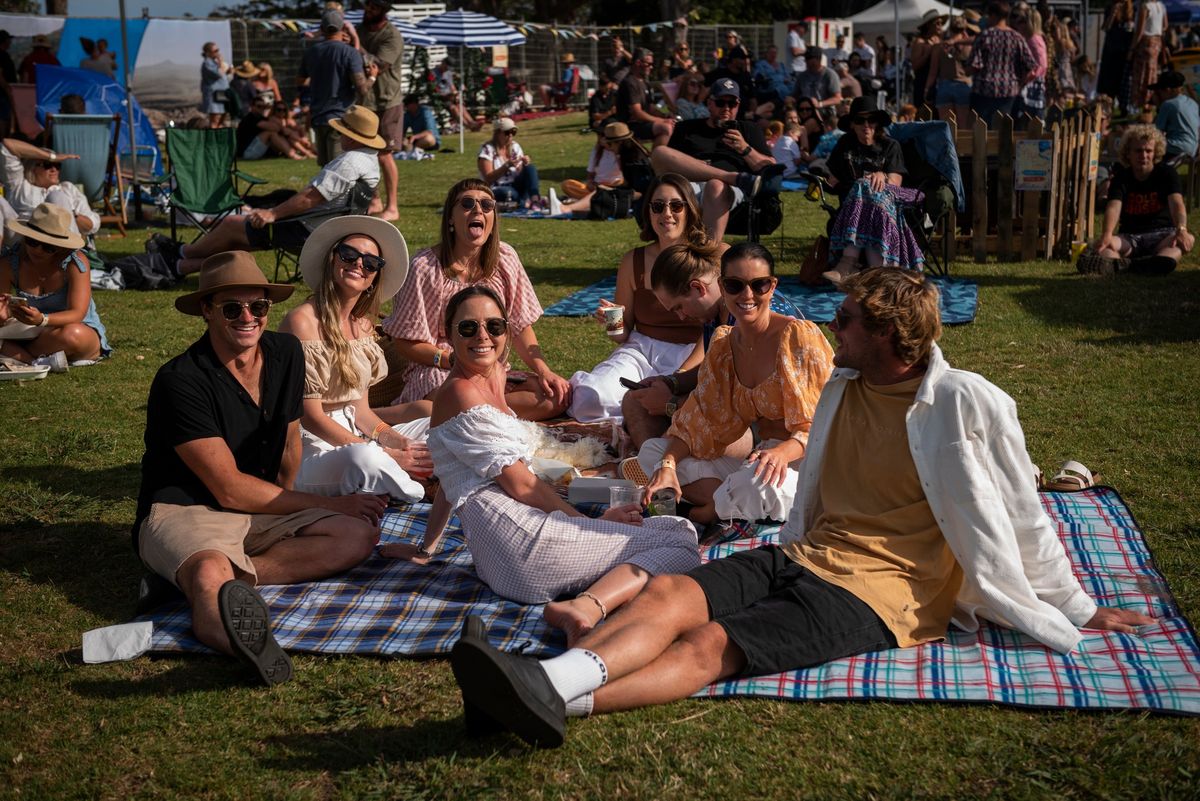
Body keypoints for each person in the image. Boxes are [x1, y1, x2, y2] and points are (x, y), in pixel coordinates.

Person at [450, 267, 1157, 749]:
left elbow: (1021, 511)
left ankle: (553, 696)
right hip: (808, 552)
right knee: (670, 590)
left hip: (886, 593)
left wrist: (1073, 603)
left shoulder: (967, 402)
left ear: (890, 336)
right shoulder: (846, 386)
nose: (833, 326)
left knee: (711, 647)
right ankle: (540, 683)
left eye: (847, 319)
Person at [383, 285, 699, 645]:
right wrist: (588, 524)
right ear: (449, 335)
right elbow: (522, 487)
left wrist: (427, 549)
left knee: (663, 531)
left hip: (502, 553)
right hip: (524, 548)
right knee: (681, 540)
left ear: (506, 330)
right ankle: (587, 606)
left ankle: (588, 595)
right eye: (468, 328)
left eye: (495, 326)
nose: (483, 336)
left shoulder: (488, 382)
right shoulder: (461, 392)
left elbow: (451, 477)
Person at [133, 250, 389, 686]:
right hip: (188, 507)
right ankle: (228, 632)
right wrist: (331, 503)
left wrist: (289, 511)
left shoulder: (285, 352)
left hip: (257, 505)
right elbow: (229, 490)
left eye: (259, 306)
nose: (248, 317)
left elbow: (291, 443)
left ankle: (195, 585)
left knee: (357, 535)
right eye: (232, 308)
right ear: (207, 311)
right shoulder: (180, 381)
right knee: (211, 572)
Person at [634, 242, 832, 529]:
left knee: (756, 482)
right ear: (722, 286)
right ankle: (730, 500)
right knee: (653, 451)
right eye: (735, 285)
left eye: (759, 284)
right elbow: (699, 418)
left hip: (811, 460)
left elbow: (823, 425)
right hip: (763, 457)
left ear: (772, 286)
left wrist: (781, 453)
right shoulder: (725, 343)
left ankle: (712, 509)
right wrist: (668, 466)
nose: (747, 295)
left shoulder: (798, 336)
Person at [380, 178, 570, 420]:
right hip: (440, 368)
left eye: (487, 205)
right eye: (468, 203)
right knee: (460, 400)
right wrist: (451, 359)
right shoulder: (425, 267)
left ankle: (473, 414)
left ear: (492, 218)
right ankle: (400, 414)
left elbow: (520, 327)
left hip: (492, 367)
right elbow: (405, 342)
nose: (478, 210)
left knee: (554, 397)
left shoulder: (506, 258)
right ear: (450, 217)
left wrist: (545, 371)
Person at [279, 215, 434, 501]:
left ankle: (408, 477)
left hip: (356, 433)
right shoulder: (302, 321)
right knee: (364, 459)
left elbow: (361, 413)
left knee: (437, 423)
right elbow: (310, 417)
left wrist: (400, 443)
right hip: (310, 446)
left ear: (375, 278)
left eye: (371, 262)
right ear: (332, 259)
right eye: (349, 254)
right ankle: (423, 490)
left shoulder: (362, 326)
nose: (358, 264)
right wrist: (384, 453)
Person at [567, 173, 722, 423]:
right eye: (658, 206)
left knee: (672, 407)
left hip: (694, 355)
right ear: (648, 212)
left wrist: (678, 376)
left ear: (690, 209)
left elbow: (721, 329)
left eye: (676, 205)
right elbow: (622, 335)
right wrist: (612, 321)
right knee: (588, 399)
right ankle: (630, 422)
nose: (667, 214)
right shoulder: (633, 261)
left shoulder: (714, 255)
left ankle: (633, 423)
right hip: (642, 351)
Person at [174, 105, 384, 275]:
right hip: (330, 227)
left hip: (307, 230)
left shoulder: (349, 162)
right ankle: (186, 266)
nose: (339, 135)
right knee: (243, 233)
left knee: (231, 225)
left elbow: (311, 198)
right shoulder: (370, 160)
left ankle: (182, 253)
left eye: (343, 131)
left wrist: (272, 213)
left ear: (354, 137)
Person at [649, 78, 783, 242]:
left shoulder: (749, 129)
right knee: (659, 153)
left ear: (738, 105)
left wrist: (745, 149)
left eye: (732, 104)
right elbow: (665, 163)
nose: (726, 108)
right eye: (720, 103)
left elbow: (770, 168)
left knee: (716, 185)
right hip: (690, 185)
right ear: (710, 103)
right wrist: (697, 166)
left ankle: (708, 253)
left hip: (729, 189)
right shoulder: (687, 128)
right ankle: (671, 257)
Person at [821, 97, 924, 284]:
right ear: (852, 124)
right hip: (851, 209)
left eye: (871, 120)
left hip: (886, 206)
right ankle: (878, 275)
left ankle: (848, 263)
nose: (866, 125)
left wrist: (882, 175)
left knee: (865, 186)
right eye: (860, 120)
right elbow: (833, 179)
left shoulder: (890, 146)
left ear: (877, 123)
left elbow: (896, 182)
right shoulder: (845, 144)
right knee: (862, 187)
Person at [0, 203, 110, 369]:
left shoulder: (75, 263)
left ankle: (19, 356)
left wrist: (42, 320)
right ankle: (37, 362)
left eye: (48, 247)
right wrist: (3, 314)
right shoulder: (9, 262)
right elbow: (4, 306)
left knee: (72, 335)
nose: (38, 250)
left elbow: (77, 313)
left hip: (75, 329)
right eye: (32, 241)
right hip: (29, 332)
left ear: (60, 246)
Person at [1092, 124, 1193, 274]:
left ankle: (1154, 264)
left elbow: (1177, 203)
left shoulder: (1167, 173)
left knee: (1182, 241)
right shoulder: (1121, 178)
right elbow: (1113, 207)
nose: (1143, 155)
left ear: (1155, 152)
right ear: (1128, 153)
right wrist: (1107, 234)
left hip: (1163, 234)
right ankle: (1123, 265)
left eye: (1148, 151)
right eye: (1138, 151)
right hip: (1130, 236)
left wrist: (1181, 229)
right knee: (1107, 246)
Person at [300, 8, 369, 166]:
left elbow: (300, 81)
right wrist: (372, 77)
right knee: (339, 167)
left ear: (322, 29)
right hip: (340, 119)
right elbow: (362, 89)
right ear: (343, 28)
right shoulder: (350, 53)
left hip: (318, 116)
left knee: (325, 168)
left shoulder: (311, 52)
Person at [357, 0, 405, 223]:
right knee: (366, 154)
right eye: (367, 6)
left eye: (373, 7)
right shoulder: (360, 30)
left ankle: (392, 206)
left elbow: (377, 64)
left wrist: (355, 44)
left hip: (388, 102)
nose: (368, 10)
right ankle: (375, 200)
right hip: (366, 102)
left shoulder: (392, 35)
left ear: (383, 11)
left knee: (385, 155)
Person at [0, 138, 98, 240]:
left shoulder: (68, 189)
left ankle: (69, 253)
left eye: (57, 164)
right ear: (32, 168)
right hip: (22, 239)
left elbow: (91, 225)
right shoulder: (19, 185)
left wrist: (70, 214)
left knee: (57, 195)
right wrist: (52, 157)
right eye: (48, 164)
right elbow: (7, 145)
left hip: (58, 241)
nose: (54, 169)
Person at [564, 122, 652, 218]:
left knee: (602, 193)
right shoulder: (628, 155)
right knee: (599, 191)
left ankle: (568, 208)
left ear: (619, 142)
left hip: (640, 198)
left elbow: (641, 189)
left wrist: (612, 190)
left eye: (610, 144)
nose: (610, 147)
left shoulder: (634, 160)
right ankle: (574, 206)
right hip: (629, 193)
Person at [967, 1, 1036, 125]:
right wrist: (1019, 84)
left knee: (981, 132)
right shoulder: (1017, 37)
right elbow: (1030, 66)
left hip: (983, 91)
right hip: (1009, 92)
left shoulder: (985, 36)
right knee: (1003, 132)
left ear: (993, 15)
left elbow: (973, 65)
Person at [478, 118, 541, 210]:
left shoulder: (515, 147)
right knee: (508, 193)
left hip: (515, 185)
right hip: (497, 188)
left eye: (513, 132)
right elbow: (488, 178)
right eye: (507, 132)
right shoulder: (487, 149)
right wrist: (507, 166)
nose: (510, 135)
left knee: (530, 168)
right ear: (498, 133)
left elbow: (520, 172)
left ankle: (535, 200)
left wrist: (524, 164)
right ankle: (525, 203)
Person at [616, 48, 674, 147]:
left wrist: (666, 116)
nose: (651, 67)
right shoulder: (630, 83)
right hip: (629, 126)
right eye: (649, 64)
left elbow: (650, 107)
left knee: (674, 125)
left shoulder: (644, 82)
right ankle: (655, 160)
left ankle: (659, 158)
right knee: (665, 128)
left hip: (641, 124)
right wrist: (662, 121)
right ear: (638, 63)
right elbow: (637, 113)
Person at [929, 15, 976, 124]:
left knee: (947, 127)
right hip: (964, 86)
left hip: (944, 87)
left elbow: (933, 72)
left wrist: (927, 90)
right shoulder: (970, 46)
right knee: (964, 128)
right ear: (964, 29)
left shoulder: (939, 46)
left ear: (950, 28)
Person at [235, 93, 308, 161]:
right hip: (247, 153)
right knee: (270, 133)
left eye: (263, 107)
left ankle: (306, 152)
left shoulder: (263, 118)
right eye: (259, 106)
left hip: (255, 149)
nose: (261, 109)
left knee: (282, 133)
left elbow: (284, 129)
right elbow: (275, 128)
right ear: (252, 107)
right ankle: (292, 154)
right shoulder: (250, 119)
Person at [1151, 72, 1200, 162]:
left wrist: (1158, 106)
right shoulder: (1192, 103)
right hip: (1193, 149)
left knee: (1144, 148)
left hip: (1176, 147)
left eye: (1159, 91)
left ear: (1168, 90)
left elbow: (1155, 133)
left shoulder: (1167, 104)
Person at [1013, 8, 1048, 122]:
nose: (1018, 25)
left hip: (1032, 86)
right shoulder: (1030, 39)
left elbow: (1041, 64)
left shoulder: (1034, 40)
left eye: (1022, 21)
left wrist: (1027, 78)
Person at [1130, 0, 1166, 110]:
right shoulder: (1161, 5)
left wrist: (1132, 48)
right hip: (1157, 42)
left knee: (1141, 74)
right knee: (1152, 74)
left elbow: (1140, 31)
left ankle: (1142, 103)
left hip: (1145, 43)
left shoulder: (1145, 6)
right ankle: (1151, 103)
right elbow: (1165, 25)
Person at [705, 46, 756, 120]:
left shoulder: (746, 76)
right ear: (733, 60)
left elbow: (753, 100)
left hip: (746, 115)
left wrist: (751, 113)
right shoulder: (718, 74)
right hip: (722, 115)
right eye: (742, 58)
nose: (745, 61)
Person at [911, 11, 945, 109]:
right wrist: (928, 52)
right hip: (922, 82)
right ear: (928, 25)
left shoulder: (941, 41)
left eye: (941, 23)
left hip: (938, 83)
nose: (940, 26)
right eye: (937, 23)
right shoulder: (920, 42)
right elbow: (915, 65)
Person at [792, 47, 843, 111]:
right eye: (806, 59)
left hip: (824, 110)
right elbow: (795, 95)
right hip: (805, 110)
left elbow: (837, 99)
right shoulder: (802, 76)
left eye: (810, 58)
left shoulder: (830, 75)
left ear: (819, 59)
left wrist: (820, 104)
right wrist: (790, 99)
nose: (807, 61)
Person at [198, 42, 232, 129]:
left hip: (222, 93)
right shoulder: (207, 63)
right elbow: (219, 73)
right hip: (214, 95)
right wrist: (221, 62)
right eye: (215, 51)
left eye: (218, 50)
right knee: (215, 119)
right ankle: (213, 139)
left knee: (221, 118)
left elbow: (224, 73)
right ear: (208, 52)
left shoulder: (214, 62)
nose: (218, 52)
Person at [0, 31, 14, 140]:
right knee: (3, 119)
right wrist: (7, 88)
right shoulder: (2, 55)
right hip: (2, 94)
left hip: (4, 93)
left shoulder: (5, 55)